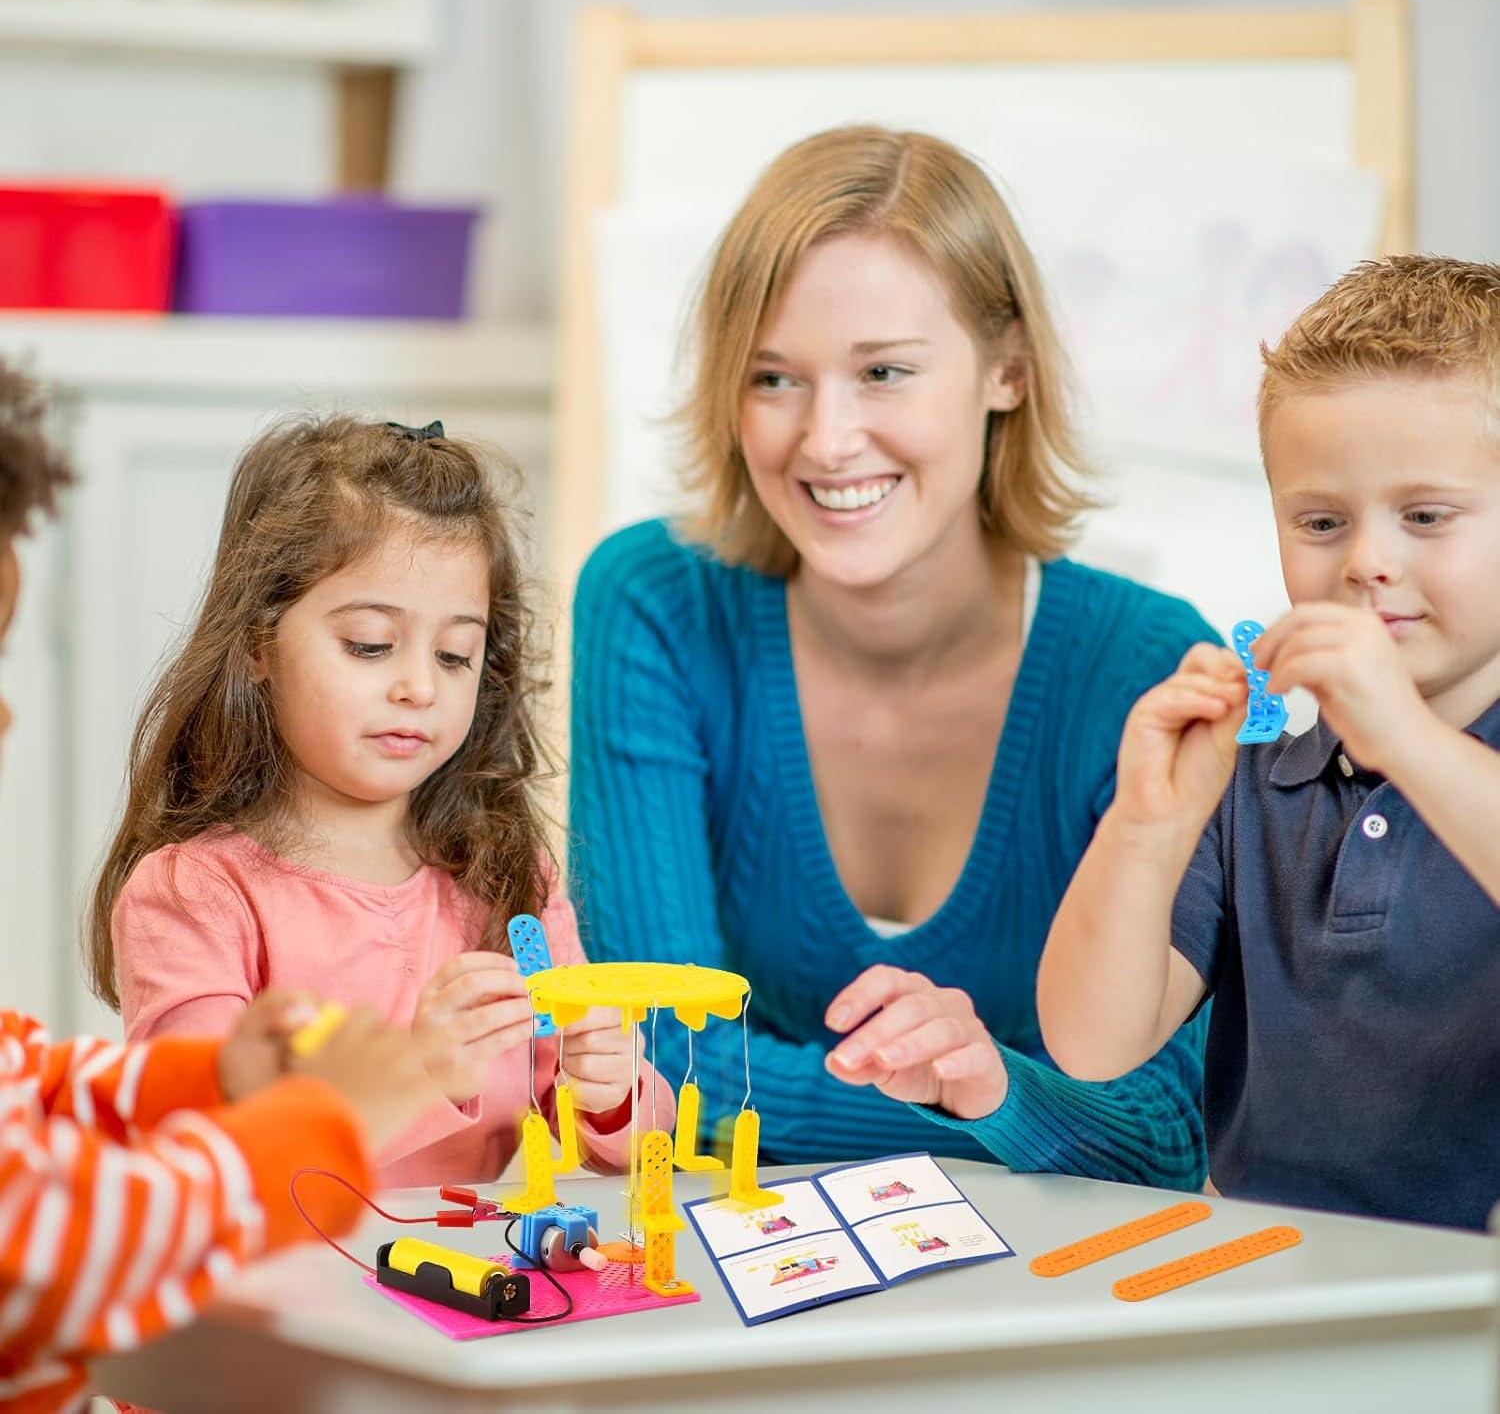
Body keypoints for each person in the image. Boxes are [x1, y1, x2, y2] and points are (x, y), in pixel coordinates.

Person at [570, 125, 1217, 1185]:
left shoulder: (1149, 671)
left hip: (1058, 1301)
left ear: (1006, 369)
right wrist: (1006, 1106)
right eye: (774, 379)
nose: (825, 440)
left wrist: (985, 1084)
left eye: (883, 372)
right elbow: (655, 1062)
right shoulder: (654, 605)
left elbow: (1166, 1133)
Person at [0, 365, 442, 1414]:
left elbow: (27, 1084)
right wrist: (316, 1121)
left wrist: (203, 1082)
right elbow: (54, 1247)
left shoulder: (508, 873)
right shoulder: (197, 885)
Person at [1037, 256, 1500, 1230]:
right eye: (1321, 522)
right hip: (1275, 1286)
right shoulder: (1253, 787)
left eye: (1425, 516)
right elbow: (1091, 1042)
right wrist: (1145, 828)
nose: (1369, 563)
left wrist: (1405, 738)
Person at [98, 416, 670, 1187]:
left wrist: (610, 1093)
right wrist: (416, 1072)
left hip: (473, 1287)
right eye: (370, 644)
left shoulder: (509, 881)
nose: (419, 687)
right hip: (290, 1295)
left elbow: (617, 1143)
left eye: (455, 655)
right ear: (258, 645)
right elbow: (211, 1161)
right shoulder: (194, 896)